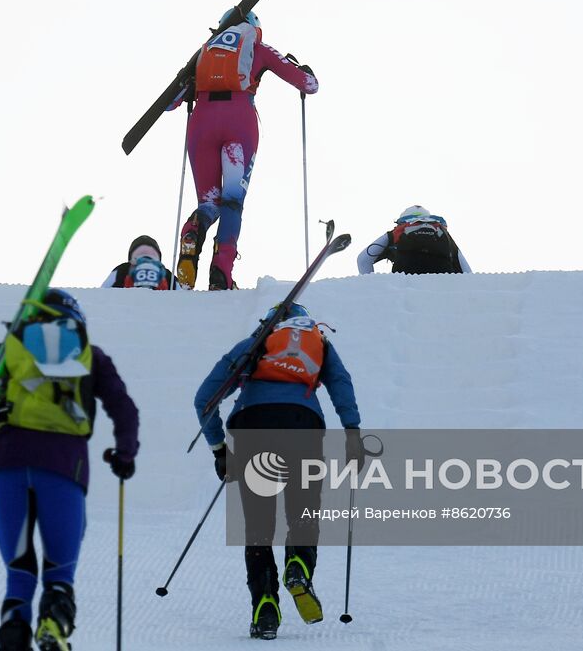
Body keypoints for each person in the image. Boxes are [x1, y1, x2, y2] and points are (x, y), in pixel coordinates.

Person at [0, 289, 139, 651]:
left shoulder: (5, 351)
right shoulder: (91, 356)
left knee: (19, 571)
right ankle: (53, 623)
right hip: (65, 467)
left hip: (6, 467)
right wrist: (124, 454)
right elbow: (125, 409)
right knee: (59, 571)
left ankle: (13, 634)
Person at [193, 303, 363, 640]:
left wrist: (220, 450)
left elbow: (204, 399)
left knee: (258, 526)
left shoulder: (255, 344)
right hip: (304, 426)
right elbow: (340, 383)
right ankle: (298, 564)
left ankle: (265, 605)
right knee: (303, 510)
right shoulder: (320, 344)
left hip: (253, 427)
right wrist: (352, 432)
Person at [170, 10, 319, 291]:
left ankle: (193, 233)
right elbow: (309, 85)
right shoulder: (256, 47)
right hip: (238, 122)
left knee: (209, 203)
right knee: (232, 201)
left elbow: (170, 102)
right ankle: (221, 273)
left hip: (202, 123)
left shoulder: (204, 52)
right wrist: (306, 72)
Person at [357, 205, 472, 275]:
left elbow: (363, 260)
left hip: (405, 277)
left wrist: (370, 286)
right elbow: (467, 271)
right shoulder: (441, 231)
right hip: (442, 279)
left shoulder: (397, 231)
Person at [100, 234, 179, 290]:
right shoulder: (167, 273)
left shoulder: (123, 268)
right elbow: (183, 296)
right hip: (160, 308)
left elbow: (103, 290)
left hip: (127, 308)